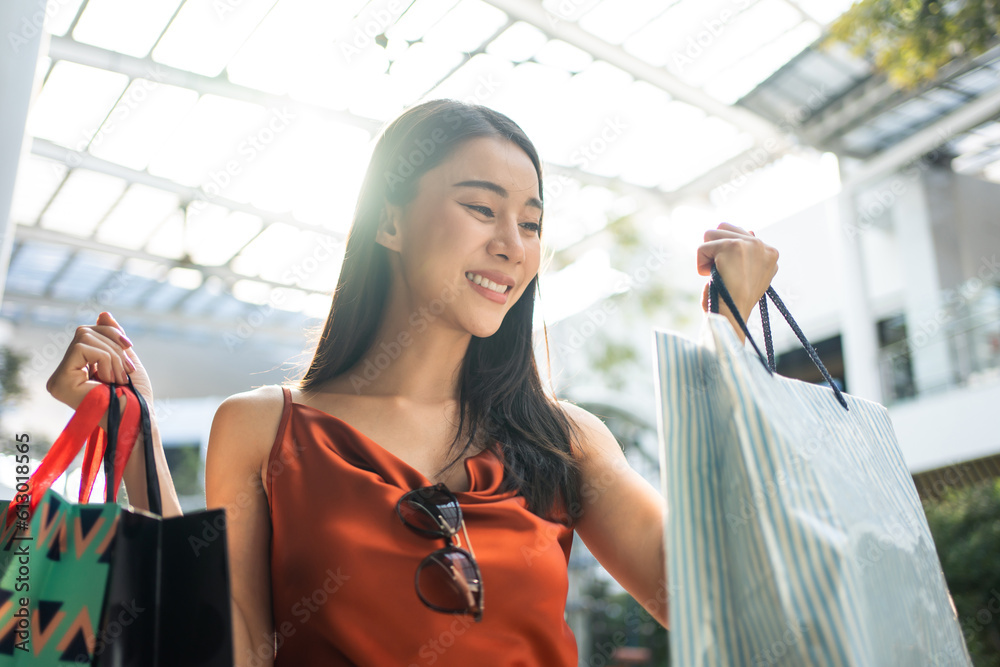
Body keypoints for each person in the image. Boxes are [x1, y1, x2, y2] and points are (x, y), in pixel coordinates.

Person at [45, 99, 778, 666]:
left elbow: (700, 598)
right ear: (388, 221)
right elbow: (232, 647)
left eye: (530, 222)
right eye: (482, 208)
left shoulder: (565, 439)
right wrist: (130, 434)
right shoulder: (263, 428)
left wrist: (735, 338)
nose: (511, 245)